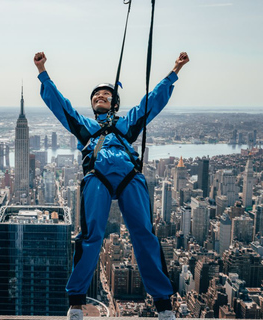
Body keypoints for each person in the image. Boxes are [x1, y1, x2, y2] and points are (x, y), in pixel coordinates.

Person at [34, 51, 189, 320]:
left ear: (114, 103)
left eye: (105, 96)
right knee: (91, 235)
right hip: (98, 177)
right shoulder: (85, 127)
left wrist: (174, 71)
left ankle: (164, 304)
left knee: (145, 235)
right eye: (96, 97)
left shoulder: (127, 126)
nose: (100, 98)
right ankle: (76, 303)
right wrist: (43, 73)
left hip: (130, 177)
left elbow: (150, 103)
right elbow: (62, 107)